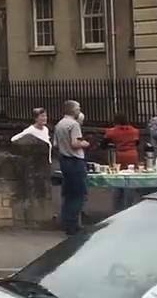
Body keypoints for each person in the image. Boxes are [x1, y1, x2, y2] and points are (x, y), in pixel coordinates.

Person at [54, 100, 91, 236]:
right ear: (73, 110)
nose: (79, 110)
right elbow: (75, 143)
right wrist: (85, 143)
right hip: (75, 161)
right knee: (79, 193)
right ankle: (73, 225)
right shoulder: (74, 125)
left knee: (68, 193)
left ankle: (66, 222)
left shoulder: (59, 124)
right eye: (78, 108)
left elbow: (56, 144)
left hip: (64, 160)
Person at [103, 113, 141, 212]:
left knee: (117, 181)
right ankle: (128, 207)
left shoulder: (111, 132)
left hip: (119, 156)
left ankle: (117, 209)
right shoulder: (135, 131)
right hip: (132, 156)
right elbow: (137, 143)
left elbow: (103, 144)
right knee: (130, 181)